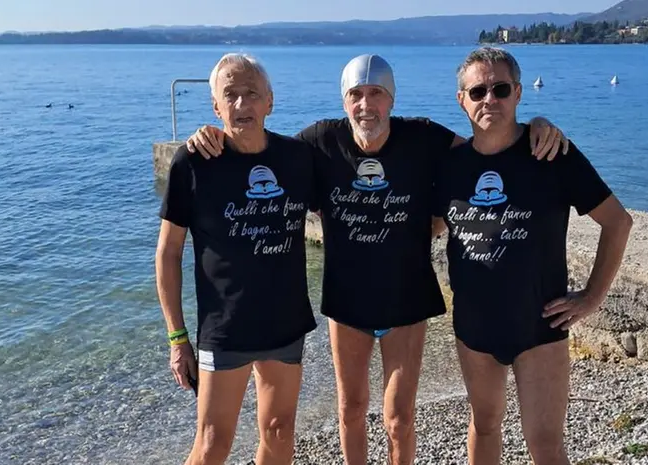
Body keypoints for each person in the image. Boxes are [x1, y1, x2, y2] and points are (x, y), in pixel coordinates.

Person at [186, 53, 569, 465]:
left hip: (407, 300)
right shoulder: (319, 142)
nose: (366, 105)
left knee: (399, 417)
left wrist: (537, 127)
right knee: (351, 410)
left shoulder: (423, 138)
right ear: (344, 101)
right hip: (347, 303)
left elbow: (487, 150)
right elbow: (261, 150)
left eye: (376, 94)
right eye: (356, 95)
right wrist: (215, 138)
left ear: (391, 100)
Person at [435, 46, 633, 465]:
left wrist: (592, 297)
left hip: (539, 327)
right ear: (461, 101)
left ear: (519, 94)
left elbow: (618, 222)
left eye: (500, 89)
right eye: (477, 92)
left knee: (544, 444)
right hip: (473, 327)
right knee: (485, 425)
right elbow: (430, 225)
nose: (489, 99)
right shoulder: (448, 166)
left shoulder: (550, 153)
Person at [155, 53, 318, 465]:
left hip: (285, 323)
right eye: (231, 95)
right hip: (225, 328)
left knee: (279, 433)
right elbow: (168, 253)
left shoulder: (297, 159)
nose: (242, 105)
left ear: (270, 101)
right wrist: (178, 339)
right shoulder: (194, 163)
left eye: (251, 94)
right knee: (212, 443)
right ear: (215, 106)